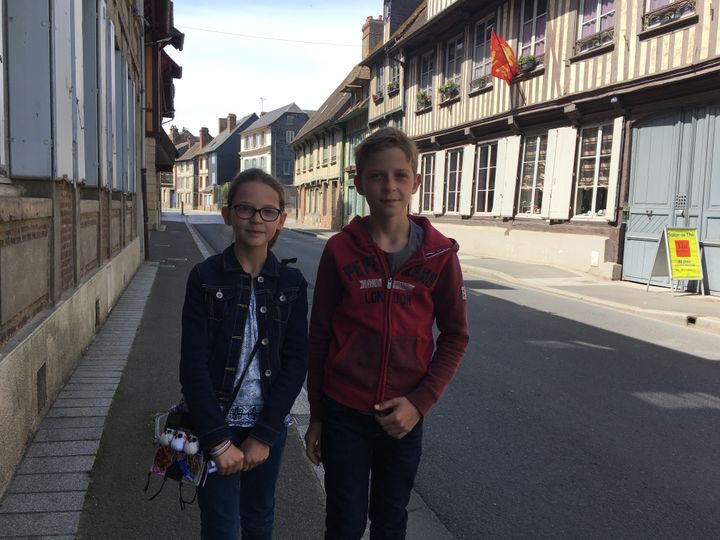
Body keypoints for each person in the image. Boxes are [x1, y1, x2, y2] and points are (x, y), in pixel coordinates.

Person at [305, 127, 469, 539]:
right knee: (343, 522)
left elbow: (455, 336)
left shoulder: (440, 254)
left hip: (404, 417)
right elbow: (320, 334)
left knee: (392, 520)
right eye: (377, 176)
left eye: (399, 175)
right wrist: (318, 416)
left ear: (415, 181)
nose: (389, 186)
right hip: (345, 413)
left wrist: (419, 404)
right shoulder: (340, 250)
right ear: (359, 183)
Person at [180, 168, 308, 540]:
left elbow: (296, 361)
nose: (257, 219)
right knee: (221, 527)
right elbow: (193, 366)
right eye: (245, 209)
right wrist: (218, 440)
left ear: (281, 219)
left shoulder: (292, 283)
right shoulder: (204, 277)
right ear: (227, 214)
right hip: (216, 423)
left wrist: (265, 435)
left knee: (259, 519)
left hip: (266, 425)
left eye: (268, 211)